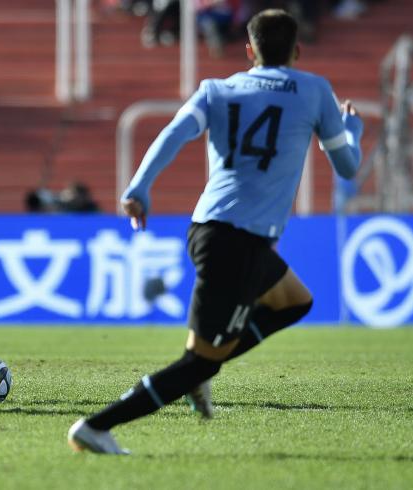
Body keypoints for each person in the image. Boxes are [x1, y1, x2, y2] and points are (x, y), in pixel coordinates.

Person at [68, 9, 363, 454]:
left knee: (293, 301)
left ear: (249, 51)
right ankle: (97, 426)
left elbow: (173, 133)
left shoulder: (217, 89)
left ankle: (204, 371)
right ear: (297, 51)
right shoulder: (314, 89)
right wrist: (351, 132)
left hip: (210, 228)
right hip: (239, 242)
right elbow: (348, 166)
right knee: (195, 361)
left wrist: (139, 187)